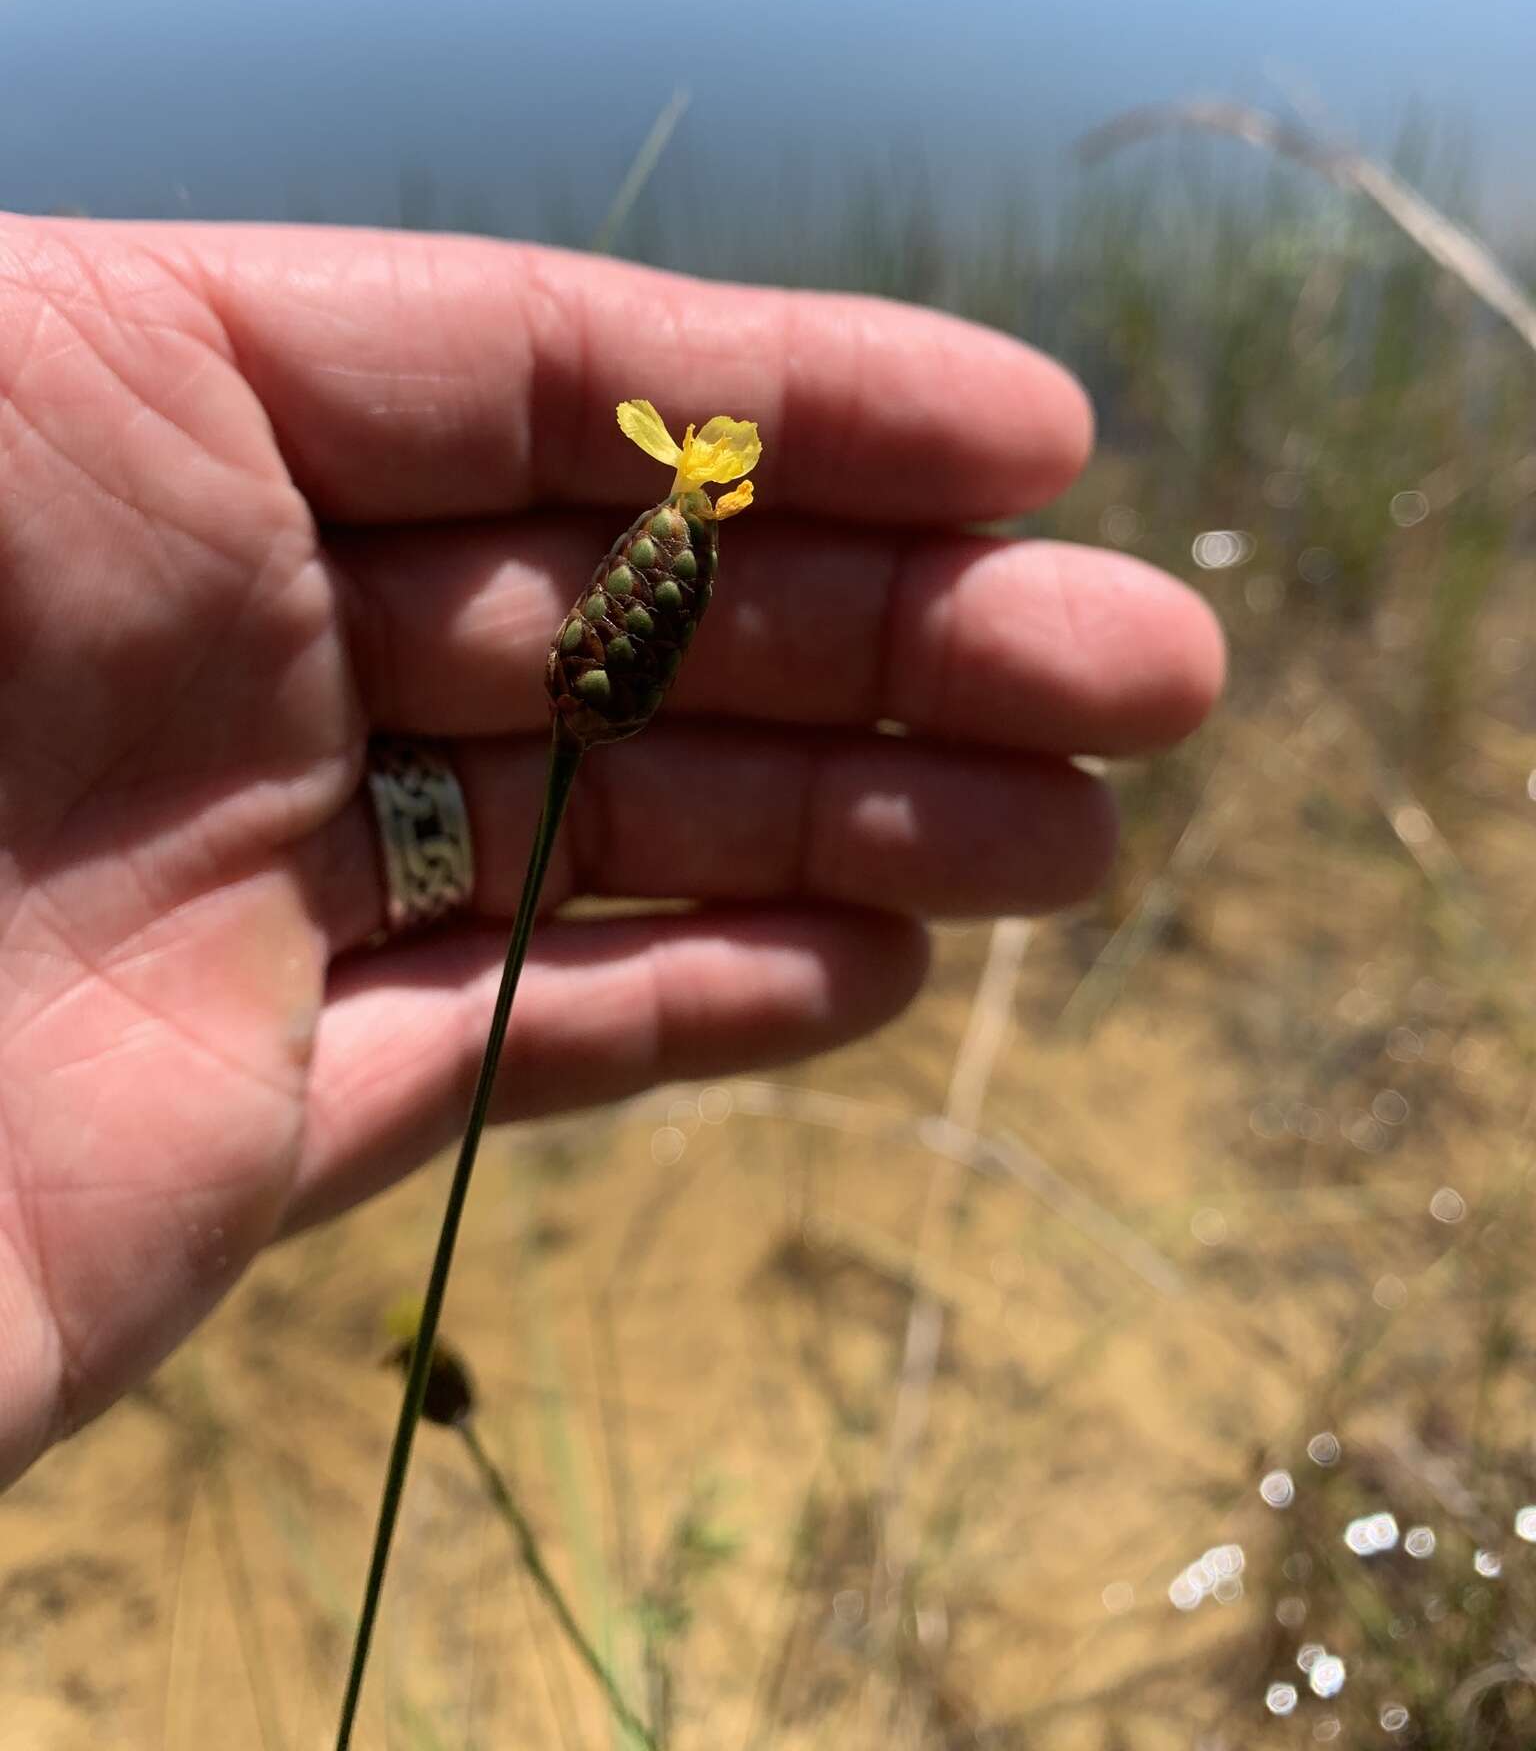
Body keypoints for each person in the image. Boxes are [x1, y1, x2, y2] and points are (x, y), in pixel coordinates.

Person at [0, 213, 1223, 1486]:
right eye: (698, 471)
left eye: (707, 479)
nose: (706, 468)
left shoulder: (680, 535)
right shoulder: (663, 518)